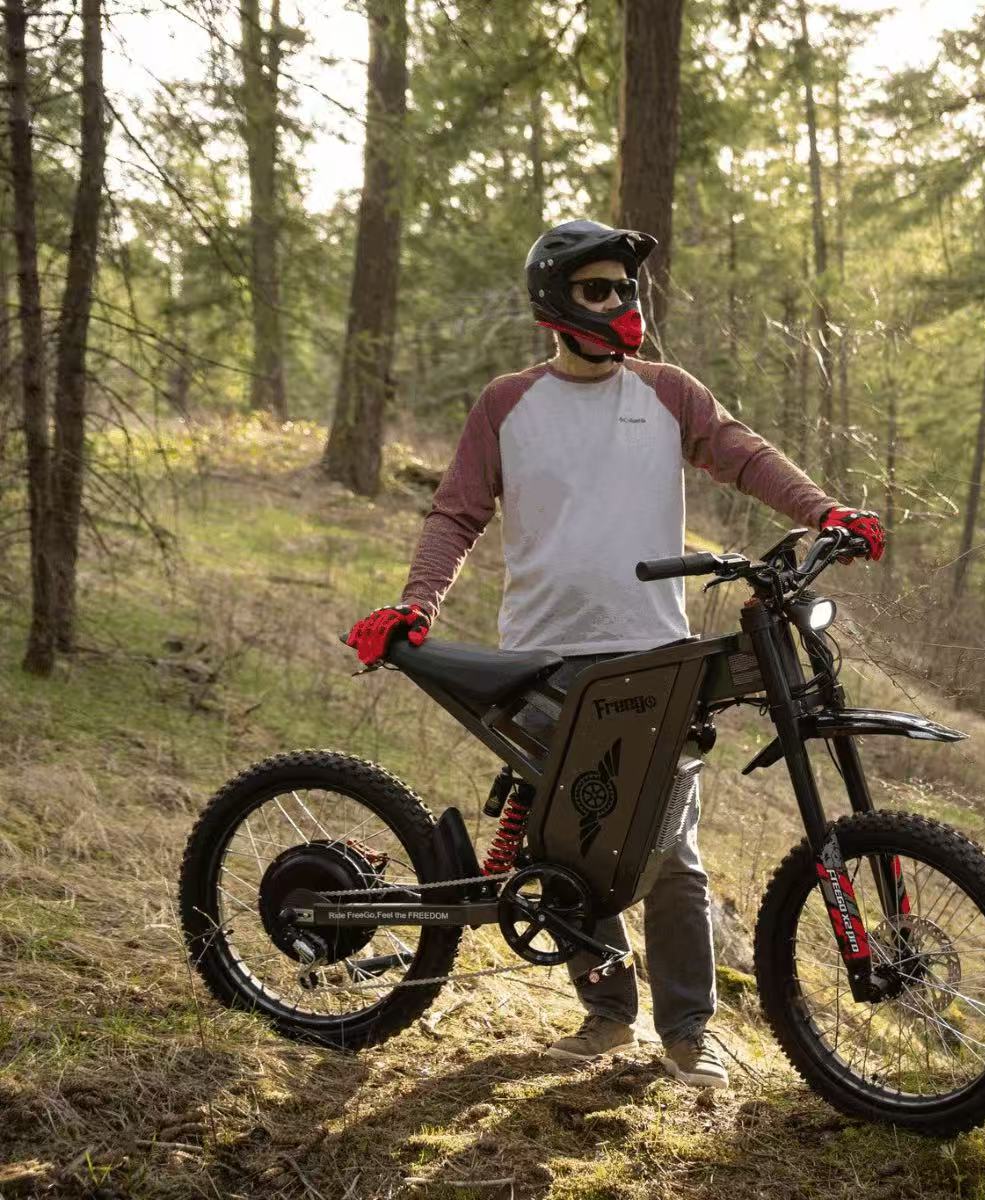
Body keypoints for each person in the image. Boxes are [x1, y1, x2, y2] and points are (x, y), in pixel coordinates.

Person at [347, 219, 886, 1089]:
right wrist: (416, 604)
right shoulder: (506, 404)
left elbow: (743, 455)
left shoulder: (668, 393)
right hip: (541, 661)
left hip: (656, 660)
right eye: (599, 290)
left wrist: (826, 511)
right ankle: (606, 1017)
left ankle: (687, 1032)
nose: (620, 304)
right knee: (566, 846)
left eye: (627, 290)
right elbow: (455, 513)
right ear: (558, 302)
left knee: (670, 850)